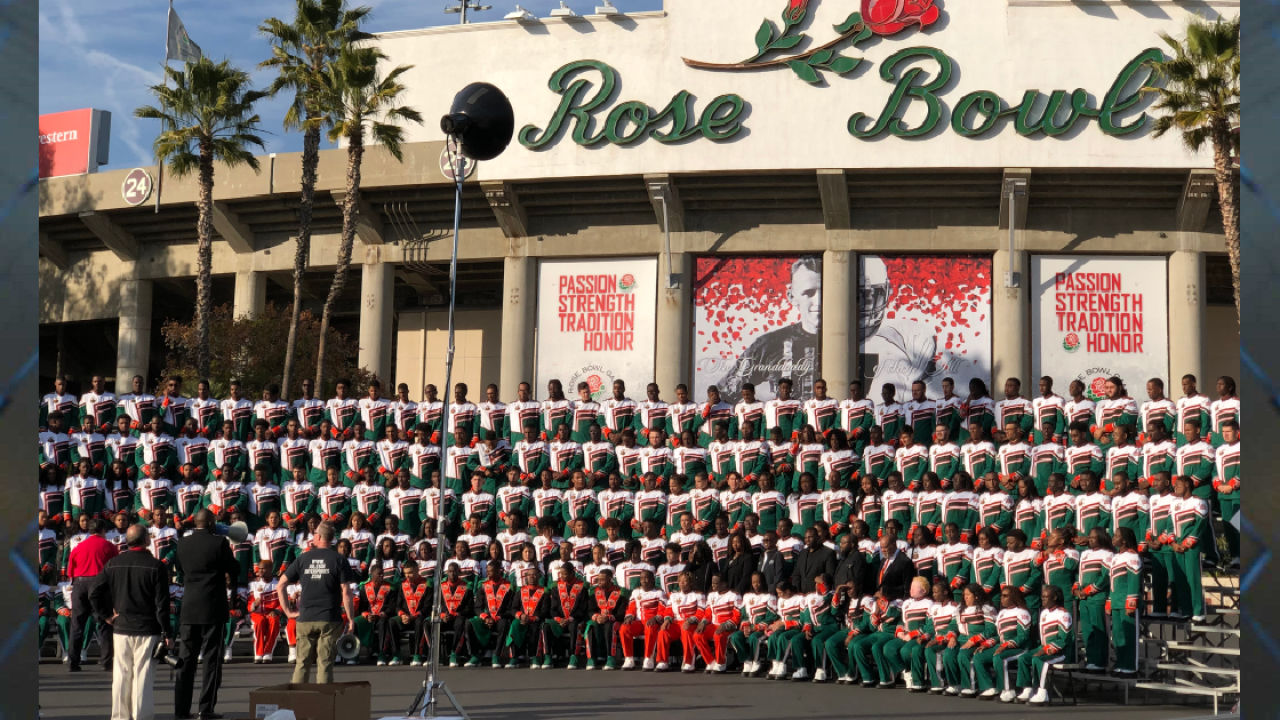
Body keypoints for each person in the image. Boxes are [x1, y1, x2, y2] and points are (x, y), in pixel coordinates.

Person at [89, 524, 171, 720]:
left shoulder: (113, 563)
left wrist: (106, 615)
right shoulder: (156, 566)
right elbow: (162, 604)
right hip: (148, 628)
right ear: (147, 540)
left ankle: (120, 716)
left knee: (121, 674)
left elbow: (93, 592)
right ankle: (141, 715)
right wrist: (167, 632)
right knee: (142, 675)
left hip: (121, 627)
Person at [279, 521, 358, 683]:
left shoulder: (303, 558)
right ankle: (323, 698)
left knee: (302, 663)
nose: (313, 536)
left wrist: (288, 611)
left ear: (320, 537)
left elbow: (281, 585)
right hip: (329, 618)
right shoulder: (339, 559)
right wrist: (350, 619)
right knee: (325, 663)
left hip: (305, 617)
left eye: (315, 533)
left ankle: (297, 696)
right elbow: (346, 592)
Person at [66, 517, 118, 672]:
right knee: (105, 623)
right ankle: (107, 662)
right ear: (103, 530)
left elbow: (70, 571)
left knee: (77, 624)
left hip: (80, 583)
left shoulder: (78, 547)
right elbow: (115, 569)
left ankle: (72, 662)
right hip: (100, 584)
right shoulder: (109, 546)